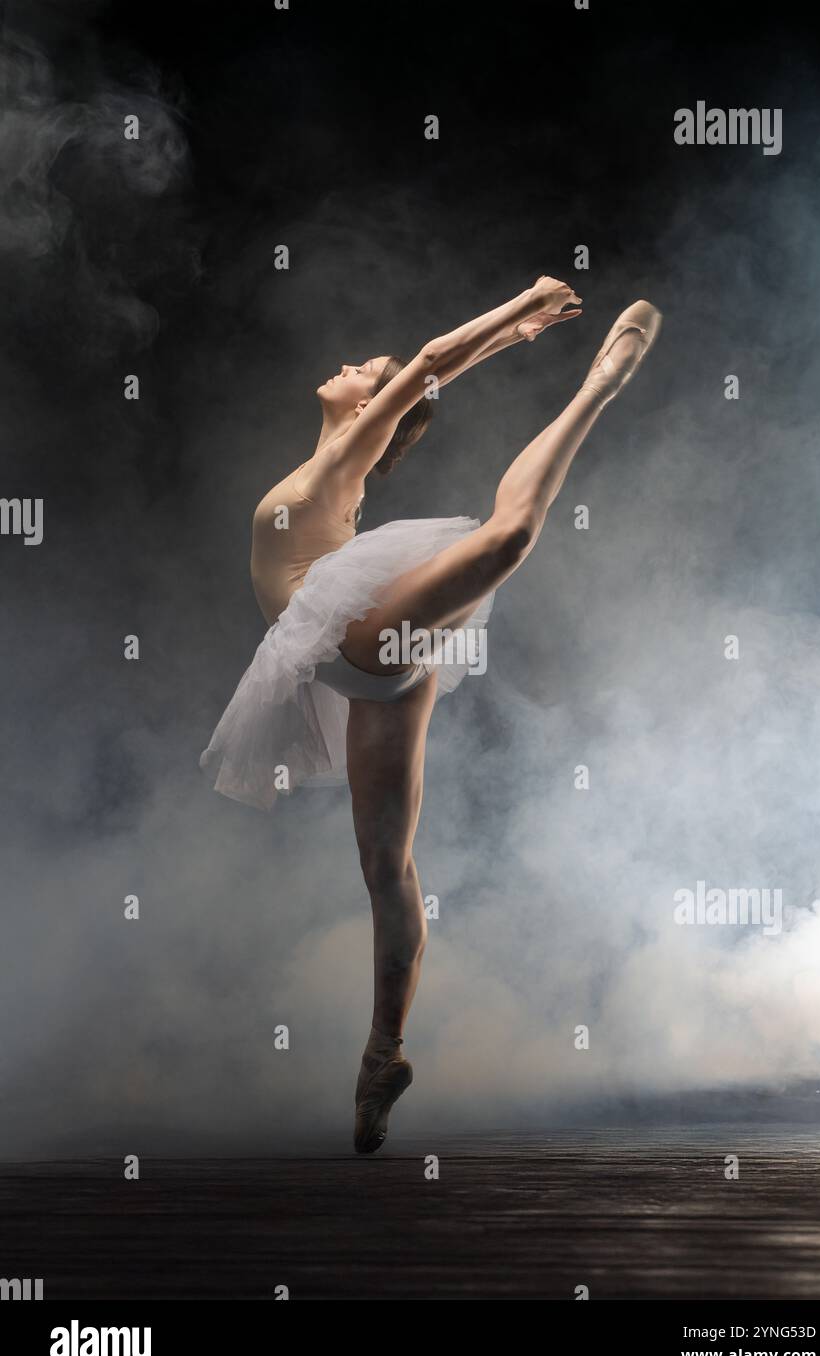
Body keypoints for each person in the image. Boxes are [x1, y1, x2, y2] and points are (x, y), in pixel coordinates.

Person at [201, 276, 662, 1152]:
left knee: (506, 540)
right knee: (386, 866)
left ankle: (600, 382)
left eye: (363, 369)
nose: (349, 365)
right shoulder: (340, 450)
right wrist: (513, 335)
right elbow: (430, 372)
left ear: (373, 402)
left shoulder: (347, 452)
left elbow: (428, 364)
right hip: (363, 663)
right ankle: (383, 1055)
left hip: (364, 637)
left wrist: (521, 303)